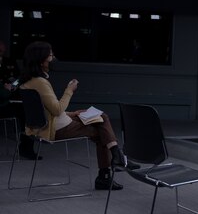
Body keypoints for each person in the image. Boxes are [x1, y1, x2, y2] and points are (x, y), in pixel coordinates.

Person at [19, 41, 127, 190]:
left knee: (102, 117)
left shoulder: (29, 81)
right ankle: (110, 167)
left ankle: (116, 156)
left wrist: (72, 113)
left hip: (54, 123)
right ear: (41, 59)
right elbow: (56, 110)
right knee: (103, 131)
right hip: (56, 129)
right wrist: (69, 90)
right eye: (51, 55)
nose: (53, 58)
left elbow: (47, 110)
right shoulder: (40, 82)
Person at [0, 40, 40, 160]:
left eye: (2, 49)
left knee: (28, 114)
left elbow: (19, 78)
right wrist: (5, 89)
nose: (2, 51)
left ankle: (26, 148)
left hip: (12, 99)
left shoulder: (9, 61)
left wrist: (13, 86)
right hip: (2, 101)